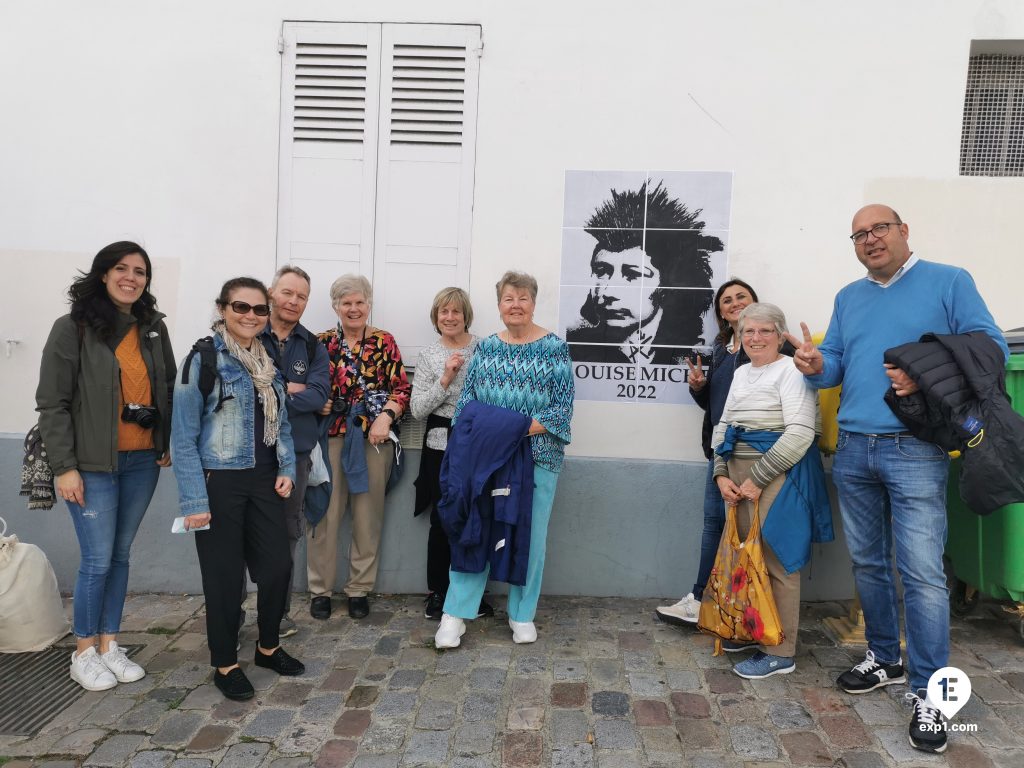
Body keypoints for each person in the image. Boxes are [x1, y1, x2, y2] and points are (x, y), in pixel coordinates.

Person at [785, 204, 1008, 754]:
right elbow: (836, 361)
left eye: (879, 229)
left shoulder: (949, 281)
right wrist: (816, 365)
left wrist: (923, 373)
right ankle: (884, 656)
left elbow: (991, 348)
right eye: (859, 235)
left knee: (923, 574)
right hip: (856, 447)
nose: (869, 240)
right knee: (869, 563)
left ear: (904, 231)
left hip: (916, 447)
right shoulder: (848, 296)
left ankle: (931, 692)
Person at [36, 241, 176, 692]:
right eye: (122, 268)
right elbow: (52, 404)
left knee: (119, 555)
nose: (131, 277)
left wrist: (166, 438)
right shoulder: (73, 329)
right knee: (96, 559)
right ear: (103, 274)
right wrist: (64, 468)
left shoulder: (152, 328)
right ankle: (82, 651)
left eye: (140, 271)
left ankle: (109, 644)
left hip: (141, 461)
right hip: (92, 465)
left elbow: (168, 387)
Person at [172, 277, 305, 701]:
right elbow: (183, 436)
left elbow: (280, 422)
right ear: (223, 308)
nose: (250, 316)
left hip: (265, 479)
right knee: (225, 578)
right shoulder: (204, 359)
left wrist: (285, 466)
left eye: (258, 309)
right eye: (240, 307)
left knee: (278, 567)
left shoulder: (267, 361)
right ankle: (225, 663)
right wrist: (194, 500)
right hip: (220, 481)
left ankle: (268, 647)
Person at [435, 271, 574, 649]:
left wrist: (511, 429)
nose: (516, 305)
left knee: (530, 536)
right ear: (499, 306)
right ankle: (456, 613)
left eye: (523, 298)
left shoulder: (555, 349)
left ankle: (522, 614)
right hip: (486, 459)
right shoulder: (486, 349)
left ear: (533, 303)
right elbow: (467, 406)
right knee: (473, 528)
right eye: (508, 299)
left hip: (537, 456)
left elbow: (561, 411)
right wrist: (490, 437)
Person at [710, 303, 831, 679]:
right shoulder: (742, 372)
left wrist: (758, 478)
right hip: (739, 472)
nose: (756, 338)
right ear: (739, 336)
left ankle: (781, 650)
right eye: (749, 332)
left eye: (765, 331)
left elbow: (800, 433)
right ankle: (754, 630)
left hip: (780, 473)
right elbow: (724, 423)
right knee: (749, 557)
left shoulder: (791, 371)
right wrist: (720, 474)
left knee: (778, 559)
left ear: (780, 336)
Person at [307, 274, 411, 621]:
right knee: (325, 513)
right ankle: (320, 589)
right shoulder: (319, 342)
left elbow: (401, 388)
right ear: (335, 306)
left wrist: (386, 417)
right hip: (331, 437)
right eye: (346, 303)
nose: (353, 308)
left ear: (369, 304)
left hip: (372, 439)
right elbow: (304, 388)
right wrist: (317, 402)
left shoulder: (384, 341)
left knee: (368, 517)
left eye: (359, 302)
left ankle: (358, 589)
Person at [656, 278, 759, 626]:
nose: (733, 303)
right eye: (726, 300)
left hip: (751, 453)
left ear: (755, 302)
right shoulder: (720, 349)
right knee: (713, 524)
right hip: (719, 450)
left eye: (740, 297)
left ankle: (742, 605)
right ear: (720, 312)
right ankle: (702, 600)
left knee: (746, 530)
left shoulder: (764, 345)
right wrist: (699, 388)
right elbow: (715, 405)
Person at [240, 265, 329, 638]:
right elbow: (240, 395)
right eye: (288, 293)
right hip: (249, 453)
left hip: (297, 454)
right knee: (242, 533)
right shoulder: (246, 334)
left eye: (302, 296)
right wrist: (289, 389)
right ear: (272, 292)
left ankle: (277, 613)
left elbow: (319, 396)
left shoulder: (312, 345)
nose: (294, 301)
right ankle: (237, 608)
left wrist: (277, 391)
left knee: (288, 533)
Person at [566, 181, 721, 364]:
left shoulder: (697, 352)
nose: (608, 293)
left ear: (666, 286)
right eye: (602, 272)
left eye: (633, 275)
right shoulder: (574, 348)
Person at [410, 287, 495, 620]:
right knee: (443, 519)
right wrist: (445, 378)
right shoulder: (430, 355)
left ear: (465, 316)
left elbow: (493, 395)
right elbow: (417, 409)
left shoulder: (484, 348)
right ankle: (438, 592)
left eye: (456, 312)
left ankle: (472, 592)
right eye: (443, 312)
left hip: (476, 439)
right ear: (436, 317)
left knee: (476, 514)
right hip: (440, 443)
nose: (449, 317)